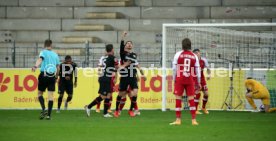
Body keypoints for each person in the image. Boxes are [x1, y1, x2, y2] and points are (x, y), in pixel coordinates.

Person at [114, 31, 146, 117]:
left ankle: (131, 110)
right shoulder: (123, 53)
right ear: (125, 46)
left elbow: (137, 65)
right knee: (121, 94)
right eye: (127, 43)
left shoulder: (134, 55)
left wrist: (142, 74)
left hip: (133, 76)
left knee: (135, 93)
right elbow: (121, 44)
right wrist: (123, 36)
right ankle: (116, 110)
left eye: (130, 43)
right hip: (124, 76)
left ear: (132, 46)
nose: (129, 44)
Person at [84, 44, 121, 118]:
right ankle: (89, 107)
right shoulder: (113, 58)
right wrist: (125, 65)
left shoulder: (104, 58)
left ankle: (105, 113)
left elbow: (101, 67)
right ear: (112, 50)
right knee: (104, 96)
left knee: (108, 95)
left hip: (104, 77)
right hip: (106, 78)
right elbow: (118, 67)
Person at [170, 38, 201, 126]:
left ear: (182, 45)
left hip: (180, 78)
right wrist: (198, 82)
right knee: (191, 99)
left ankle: (178, 120)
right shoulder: (194, 56)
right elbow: (197, 70)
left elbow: (174, 68)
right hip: (190, 78)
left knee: (178, 98)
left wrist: (174, 78)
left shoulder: (178, 54)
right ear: (190, 45)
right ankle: (194, 120)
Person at [32, 39, 60, 120]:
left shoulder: (43, 52)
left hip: (44, 75)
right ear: (51, 45)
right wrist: (56, 77)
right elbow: (58, 68)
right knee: (50, 96)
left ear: (45, 45)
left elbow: (40, 59)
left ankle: (44, 109)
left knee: (40, 93)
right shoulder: (55, 55)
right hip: (52, 76)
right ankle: (49, 115)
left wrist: (35, 66)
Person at [193, 49, 211, 114]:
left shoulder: (204, 60)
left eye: (198, 53)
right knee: (197, 93)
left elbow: (208, 69)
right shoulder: (193, 60)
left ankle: (203, 107)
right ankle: (195, 110)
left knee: (206, 94)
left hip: (202, 79)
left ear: (200, 53)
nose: (197, 54)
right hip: (195, 79)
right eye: (195, 53)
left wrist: (209, 75)